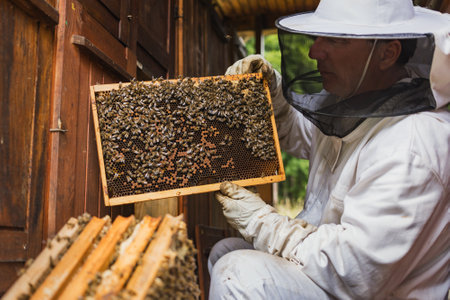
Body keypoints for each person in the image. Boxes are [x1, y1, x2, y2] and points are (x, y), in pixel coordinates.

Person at [208, 0, 450, 299]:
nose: (314, 51)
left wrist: (262, 222)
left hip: (366, 288)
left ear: (387, 54)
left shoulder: (414, 144)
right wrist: (271, 94)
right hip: (331, 271)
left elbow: (355, 269)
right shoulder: (353, 103)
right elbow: (303, 136)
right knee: (224, 251)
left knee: (239, 274)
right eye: (319, 36)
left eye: (335, 39)